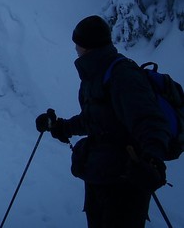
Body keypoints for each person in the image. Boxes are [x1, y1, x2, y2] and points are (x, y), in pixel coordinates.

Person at [35, 15, 171, 228]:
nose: (75, 49)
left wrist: (152, 161)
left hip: (125, 182)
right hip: (100, 175)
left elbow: (150, 120)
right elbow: (96, 120)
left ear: (88, 47)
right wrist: (61, 127)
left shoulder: (123, 76)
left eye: (78, 44)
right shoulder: (95, 75)